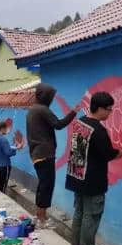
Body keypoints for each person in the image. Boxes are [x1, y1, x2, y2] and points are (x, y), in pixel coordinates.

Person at [65, 91, 122, 245]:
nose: (110, 112)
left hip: (77, 176)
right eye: (109, 109)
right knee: (91, 216)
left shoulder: (79, 123)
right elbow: (110, 154)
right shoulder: (98, 130)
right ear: (100, 108)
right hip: (92, 181)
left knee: (79, 213)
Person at [27, 83, 80, 228]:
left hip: (37, 154)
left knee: (43, 185)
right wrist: (74, 112)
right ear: (46, 97)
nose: (52, 99)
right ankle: (42, 219)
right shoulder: (42, 110)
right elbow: (58, 124)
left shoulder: (32, 110)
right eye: (51, 96)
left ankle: (39, 216)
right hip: (45, 154)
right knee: (46, 186)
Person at [0, 121, 24, 193]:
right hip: (4, 165)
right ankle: (1, 199)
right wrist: (16, 148)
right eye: (6, 128)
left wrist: (11, 147)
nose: (7, 130)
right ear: (2, 129)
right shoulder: (3, 139)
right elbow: (8, 152)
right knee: (3, 184)